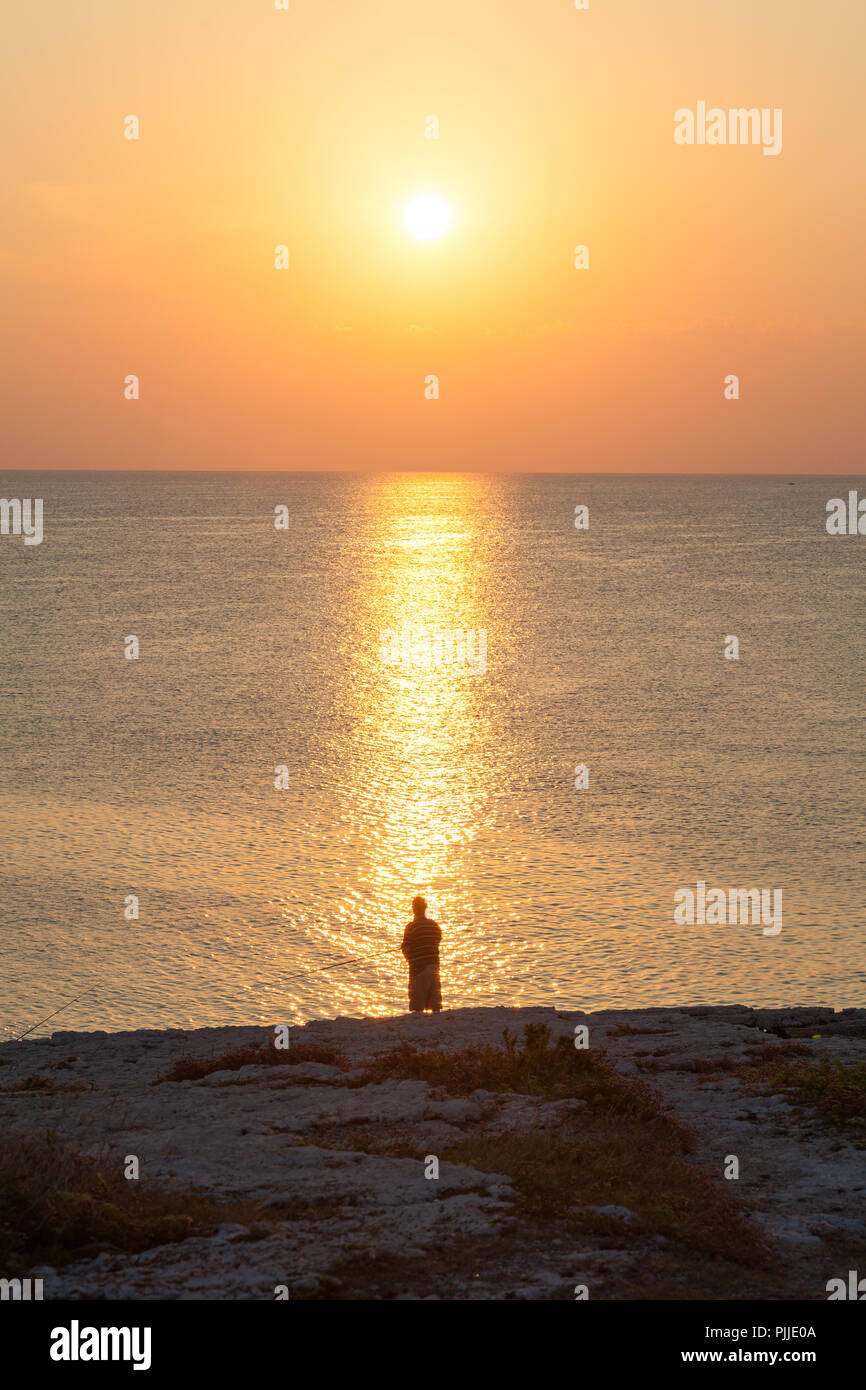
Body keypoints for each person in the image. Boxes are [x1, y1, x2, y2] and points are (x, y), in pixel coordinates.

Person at [400, 895, 442, 1013]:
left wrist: (408, 957)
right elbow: (436, 943)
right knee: (435, 1007)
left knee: (417, 1008)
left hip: (419, 969)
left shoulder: (411, 927)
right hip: (434, 967)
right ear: (425, 908)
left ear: (413, 909)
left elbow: (406, 949)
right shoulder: (434, 926)